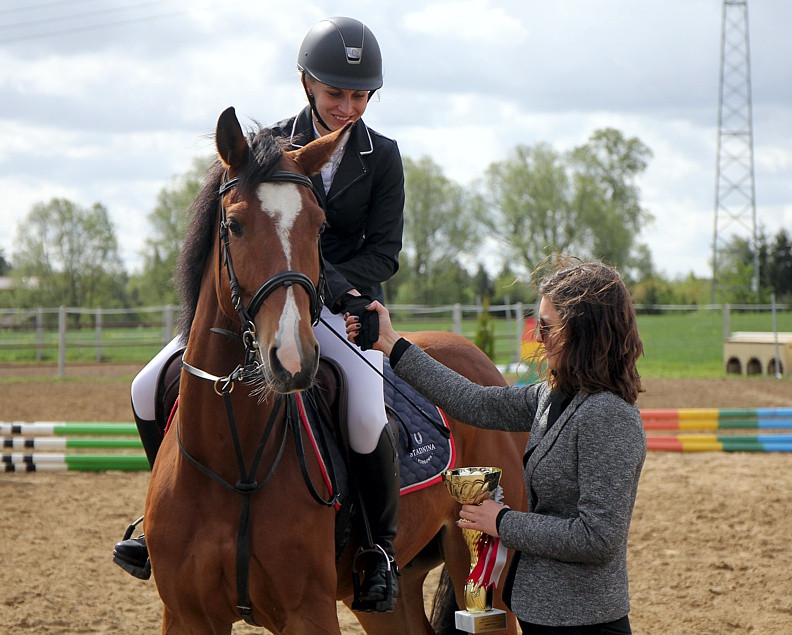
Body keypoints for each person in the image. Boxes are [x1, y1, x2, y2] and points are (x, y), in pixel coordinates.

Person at [114, 16, 404, 612]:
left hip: (340, 308)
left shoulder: (383, 157)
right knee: (146, 387)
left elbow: (384, 251)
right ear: (307, 84)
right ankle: (157, 518)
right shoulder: (262, 148)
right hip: (255, 302)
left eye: (360, 96)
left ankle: (378, 548)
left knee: (365, 412)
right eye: (336, 93)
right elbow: (225, 235)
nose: (348, 107)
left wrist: (325, 285)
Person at [346, 260, 646, 633]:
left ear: (582, 332)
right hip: (541, 612)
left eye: (547, 327)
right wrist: (391, 343)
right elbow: (473, 401)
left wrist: (502, 521)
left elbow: (598, 538)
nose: (538, 338)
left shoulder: (610, 416)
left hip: (586, 619)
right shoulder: (553, 397)